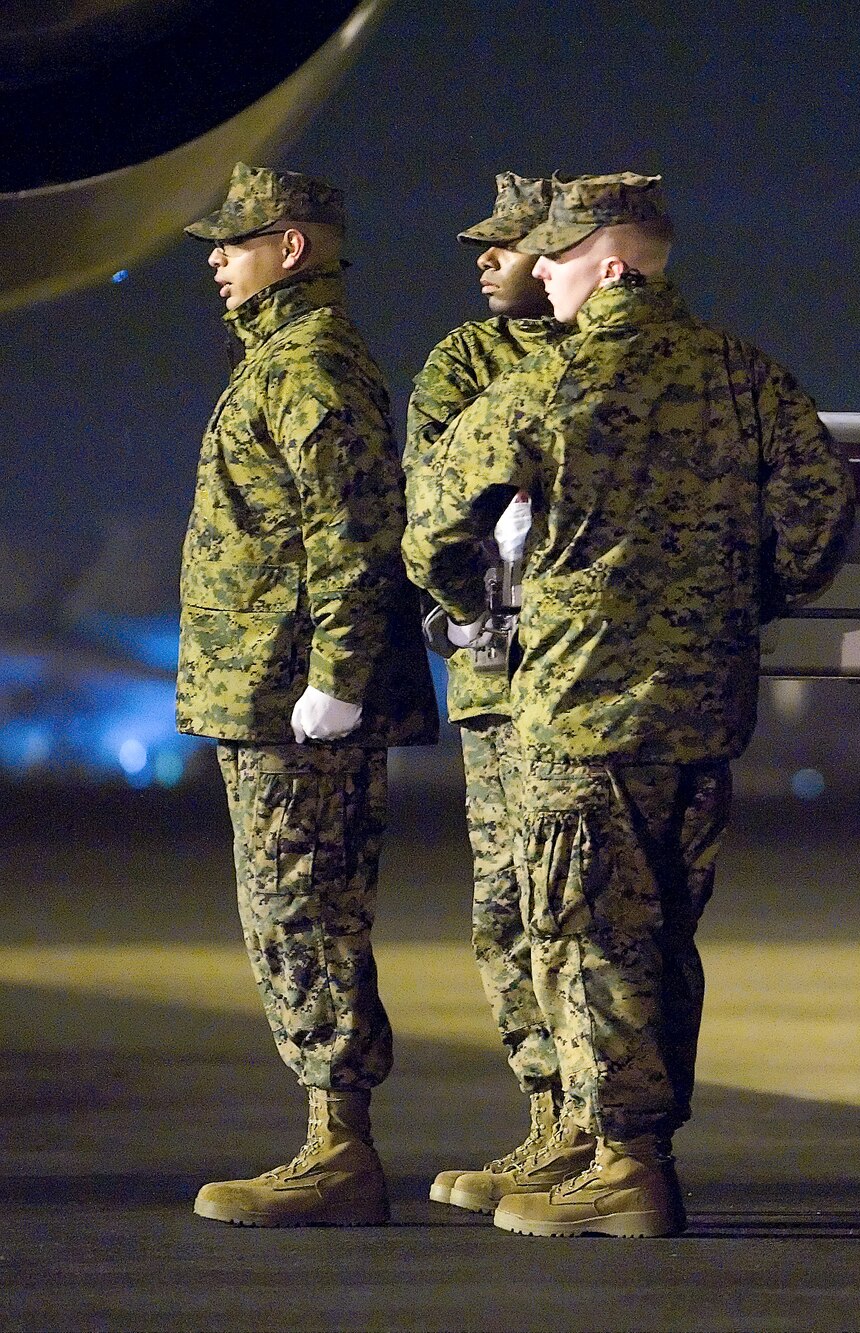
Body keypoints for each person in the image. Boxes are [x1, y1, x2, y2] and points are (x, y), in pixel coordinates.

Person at [403, 172, 854, 1238]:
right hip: (704, 706)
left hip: (580, 702)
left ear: (609, 264)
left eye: (555, 258)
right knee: (664, 934)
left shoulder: (551, 382)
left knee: (587, 932)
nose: (541, 275)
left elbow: (431, 524)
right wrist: (746, 602)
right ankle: (634, 1149)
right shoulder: (748, 376)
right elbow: (820, 514)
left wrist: (472, 611)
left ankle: (624, 1164)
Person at [180, 162, 438, 1227]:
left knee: (307, 912)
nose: (215, 260)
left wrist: (335, 679)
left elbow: (352, 538)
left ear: (293, 248)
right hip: (266, 694)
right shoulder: (280, 362)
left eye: (235, 243)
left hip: (296, 702)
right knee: (287, 912)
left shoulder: (314, 367)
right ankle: (331, 1140)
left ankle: (339, 1150)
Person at [406, 173, 584, 1215]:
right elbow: (433, 492)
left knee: (590, 907)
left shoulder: (613, 364)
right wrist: (467, 603)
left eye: (507, 244)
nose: (485, 258)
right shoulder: (465, 361)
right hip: (497, 669)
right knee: (508, 906)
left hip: (594, 670)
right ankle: (549, 1117)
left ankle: (603, 1129)